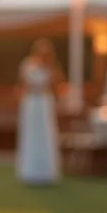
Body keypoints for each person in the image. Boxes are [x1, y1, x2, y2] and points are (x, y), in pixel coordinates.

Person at [16, 39, 63, 185]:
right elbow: (23, 83)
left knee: (46, 135)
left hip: (44, 102)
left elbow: (57, 85)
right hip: (31, 102)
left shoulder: (52, 67)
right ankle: (30, 171)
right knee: (31, 135)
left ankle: (46, 171)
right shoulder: (27, 64)